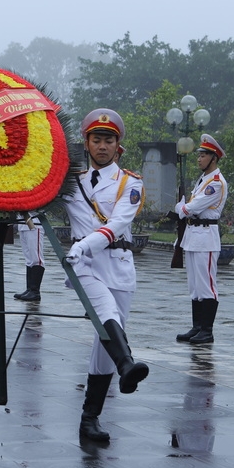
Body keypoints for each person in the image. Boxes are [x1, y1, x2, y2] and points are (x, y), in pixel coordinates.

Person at [64, 108, 149, 443]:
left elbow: (116, 225)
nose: (102, 146)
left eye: (108, 140)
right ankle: (127, 364)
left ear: (118, 146)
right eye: (96, 139)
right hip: (84, 267)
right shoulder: (72, 184)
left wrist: (86, 244)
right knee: (105, 314)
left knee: (105, 341)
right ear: (86, 143)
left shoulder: (131, 183)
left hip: (118, 264)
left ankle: (89, 419)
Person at [174, 135, 227, 345]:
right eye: (199, 155)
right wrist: (184, 209)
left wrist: (182, 208)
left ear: (213, 158)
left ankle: (207, 330)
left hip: (206, 236)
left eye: (203, 155)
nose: (199, 159)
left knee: (207, 285)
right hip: (194, 236)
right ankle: (197, 327)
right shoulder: (203, 180)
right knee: (195, 286)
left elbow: (191, 208)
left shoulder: (216, 183)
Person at [12, 216, 45, 302]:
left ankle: (35, 291)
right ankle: (29, 289)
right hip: (22, 224)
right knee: (29, 259)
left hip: (34, 223)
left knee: (36, 258)